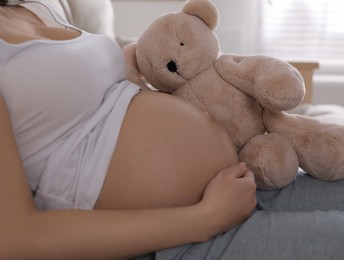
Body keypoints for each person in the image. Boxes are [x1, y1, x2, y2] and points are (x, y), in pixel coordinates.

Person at [0, 0, 257, 258]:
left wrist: (131, 77)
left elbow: (87, 114)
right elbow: (15, 238)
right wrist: (206, 218)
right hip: (173, 237)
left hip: (237, 182)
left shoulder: (35, 8)